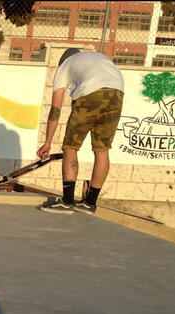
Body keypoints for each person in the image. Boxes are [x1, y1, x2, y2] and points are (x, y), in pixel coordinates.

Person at [37, 47, 125, 215]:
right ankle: (89, 203)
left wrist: (47, 143)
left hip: (91, 93)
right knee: (102, 149)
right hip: (117, 92)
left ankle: (67, 201)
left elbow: (55, 109)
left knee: (71, 146)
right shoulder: (98, 57)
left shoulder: (65, 66)